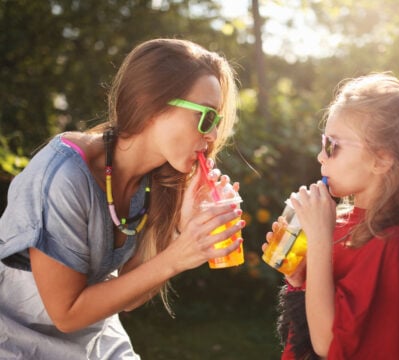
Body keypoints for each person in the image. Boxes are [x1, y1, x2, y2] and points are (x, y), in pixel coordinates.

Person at [0, 38, 245, 359]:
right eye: (207, 118)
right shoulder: (64, 175)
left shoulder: (156, 180)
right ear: (151, 105)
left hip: (92, 337)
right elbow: (67, 314)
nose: (213, 135)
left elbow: (129, 295)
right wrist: (179, 256)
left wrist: (180, 229)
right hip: (16, 337)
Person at [265, 73, 399, 359]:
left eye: (332, 145)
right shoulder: (341, 223)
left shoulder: (390, 240)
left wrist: (319, 239)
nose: (321, 156)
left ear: (382, 159)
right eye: (323, 143)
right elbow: (311, 325)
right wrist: (299, 279)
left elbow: (328, 345)